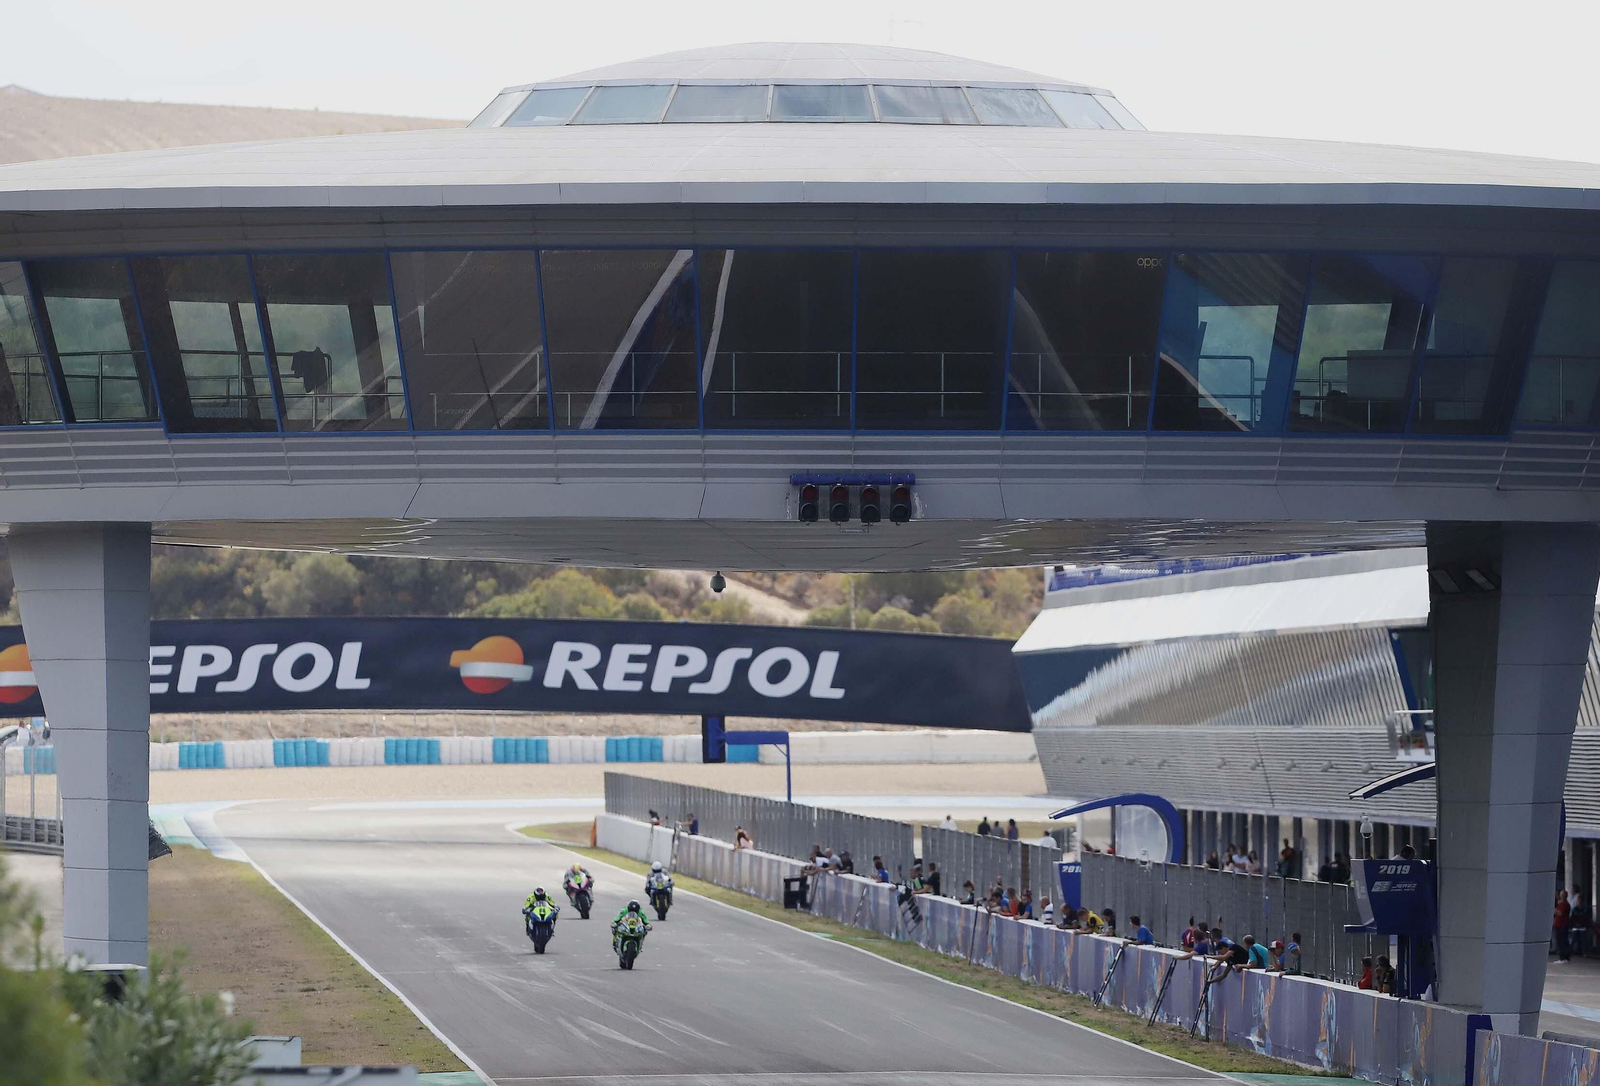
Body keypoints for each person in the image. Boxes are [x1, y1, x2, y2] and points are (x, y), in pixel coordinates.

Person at [1555, 888, 1573, 963]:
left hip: (1562, 925)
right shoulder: (1560, 904)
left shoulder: (1565, 904)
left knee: (1563, 941)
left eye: (1562, 895)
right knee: (1560, 941)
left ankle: (1564, 957)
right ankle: (1562, 957)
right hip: (1558, 925)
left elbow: (1560, 913)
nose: (1561, 896)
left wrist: (1555, 910)